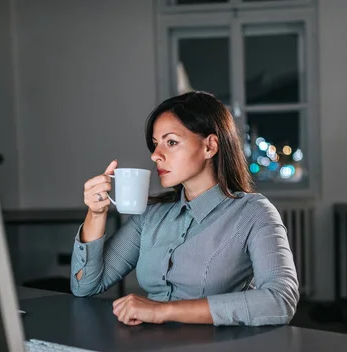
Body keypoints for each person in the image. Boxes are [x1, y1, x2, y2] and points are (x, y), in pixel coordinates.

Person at [70, 91, 299, 326]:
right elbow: (84, 285)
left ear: (210, 146)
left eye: (171, 142)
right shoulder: (151, 215)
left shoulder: (254, 212)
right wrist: (96, 214)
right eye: (155, 144)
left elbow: (280, 299)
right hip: (149, 349)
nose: (156, 155)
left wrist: (163, 311)